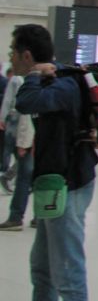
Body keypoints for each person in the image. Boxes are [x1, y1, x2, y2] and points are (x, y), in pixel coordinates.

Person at [11, 23, 98, 300]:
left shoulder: (62, 83)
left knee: (67, 270)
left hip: (68, 183)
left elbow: (25, 102)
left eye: (12, 52)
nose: (10, 57)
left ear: (27, 56)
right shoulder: (56, 79)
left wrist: (35, 76)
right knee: (42, 269)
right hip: (53, 182)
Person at [0, 73, 33, 230]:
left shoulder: (22, 80)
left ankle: (16, 217)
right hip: (32, 136)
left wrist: (22, 142)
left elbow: (20, 110)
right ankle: (39, 216)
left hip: (24, 134)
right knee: (30, 174)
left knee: (24, 176)